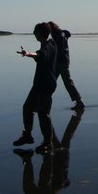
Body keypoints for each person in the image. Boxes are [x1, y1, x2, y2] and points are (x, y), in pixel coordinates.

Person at [13, 22, 59, 154]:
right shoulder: (50, 44)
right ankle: (27, 135)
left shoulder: (48, 47)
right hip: (38, 84)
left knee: (43, 114)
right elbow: (41, 55)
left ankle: (47, 143)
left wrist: (28, 54)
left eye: (35, 32)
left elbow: (40, 55)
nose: (34, 35)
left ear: (39, 34)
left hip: (46, 85)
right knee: (27, 108)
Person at [49, 22, 83, 110]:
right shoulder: (63, 34)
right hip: (65, 61)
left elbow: (56, 50)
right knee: (67, 82)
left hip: (59, 62)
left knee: (51, 82)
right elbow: (68, 34)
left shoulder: (56, 36)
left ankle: (43, 103)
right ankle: (79, 101)